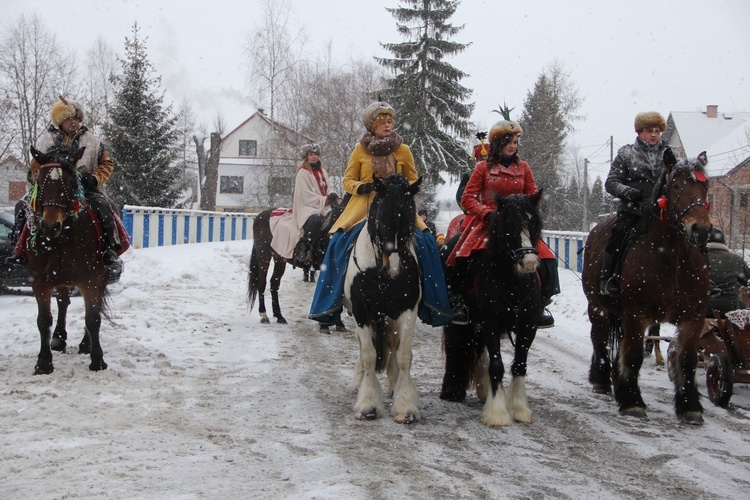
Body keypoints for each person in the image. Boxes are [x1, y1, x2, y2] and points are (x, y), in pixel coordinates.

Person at [309, 100, 451, 329]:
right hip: (363, 207)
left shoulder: (403, 150)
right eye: (382, 121)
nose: (388, 124)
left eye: (390, 121)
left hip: (397, 207)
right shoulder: (359, 150)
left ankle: (433, 303)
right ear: (371, 125)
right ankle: (329, 304)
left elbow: (413, 178)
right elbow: (347, 181)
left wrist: (403, 188)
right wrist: (361, 187)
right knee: (337, 243)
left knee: (426, 242)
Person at [444, 111, 558, 328]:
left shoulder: (524, 168)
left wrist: (524, 208)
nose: (513, 145)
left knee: (547, 258)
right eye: (508, 141)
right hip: (488, 222)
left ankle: (541, 303)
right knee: (461, 256)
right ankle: (460, 301)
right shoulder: (482, 168)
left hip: (517, 223)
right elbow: (467, 198)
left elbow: (534, 196)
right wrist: (486, 213)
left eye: (515, 141)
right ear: (497, 143)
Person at [8, 97, 124, 267]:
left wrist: (94, 178)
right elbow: (35, 166)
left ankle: (109, 249)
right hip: (51, 189)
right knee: (22, 206)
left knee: (105, 207)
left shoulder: (92, 141)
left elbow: (107, 164)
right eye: (69, 118)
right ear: (60, 121)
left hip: (85, 187)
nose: (74, 122)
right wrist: (38, 179)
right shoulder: (46, 140)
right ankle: (20, 250)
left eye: (77, 118)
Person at [600, 111, 672, 296]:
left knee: (691, 234)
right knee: (619, 233)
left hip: (663, 213)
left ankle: (702, 276)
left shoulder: (669, 154)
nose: (654, 134)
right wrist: (628, 192)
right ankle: (609, 277)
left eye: (657, 130)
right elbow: (611, 182)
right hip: (633, 211)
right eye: (649, 130)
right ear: (639, 132)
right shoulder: (626, 154)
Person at [268, 143, 338, 266]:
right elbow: (305, 196)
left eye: (316, 154)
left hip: (324, 205)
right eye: (311, 154)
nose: (314, 157)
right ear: (306, 156)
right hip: (308, 208)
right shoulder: (302, 173)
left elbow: (329, 186)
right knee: (316, 219)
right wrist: (325, 199)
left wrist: (331, 194)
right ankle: (304, 246)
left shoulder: (322, 171)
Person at [706, 228, 750, 315]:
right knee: (741, 305)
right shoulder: (736, 260)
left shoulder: (697, 259)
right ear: (723, 242)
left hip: (702, 308)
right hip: (729, 308)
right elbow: (747, 281)